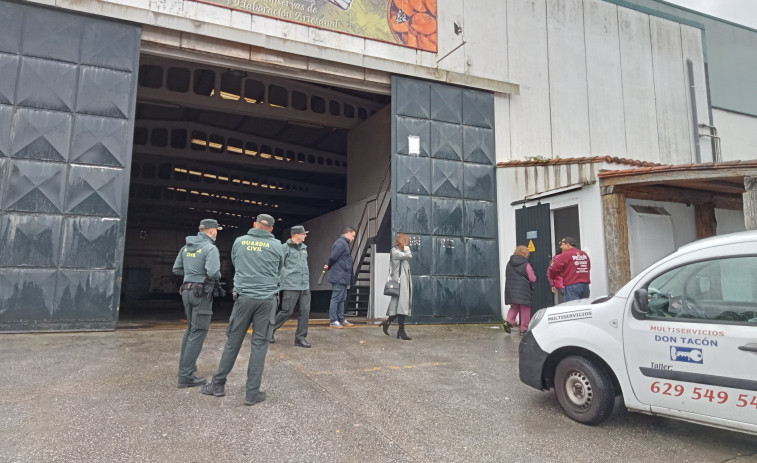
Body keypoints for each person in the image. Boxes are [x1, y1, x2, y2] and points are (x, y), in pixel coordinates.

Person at [200, 214, 283, 406]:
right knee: (260, 345)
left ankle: (218, 384)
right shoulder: (278, 245)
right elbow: (280, 270)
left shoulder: (240, 241)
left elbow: (236, 264)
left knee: (233, 342)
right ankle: (252, 393)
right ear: (271, 228)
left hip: (244, 298)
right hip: (267, 300)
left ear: (254, 225)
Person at [172, 218, 222, 388]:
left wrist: (191, 272)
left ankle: (185, 369)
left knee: (191, 330)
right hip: (201, 293)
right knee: (198, 331)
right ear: (212, 231)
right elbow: (213, 272)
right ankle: (186, 376)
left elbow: (176, 269)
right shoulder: (210, 248)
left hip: (185, 290)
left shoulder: (186, 248)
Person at [270, 225, 312, 348]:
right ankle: (270, 331)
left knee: (305, 312)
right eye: (303, 233)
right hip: (290, 285)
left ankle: (300, 338)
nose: (305, 235)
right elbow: (277, 265)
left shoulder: (304, 248)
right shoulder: (284, 248)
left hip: (305, 286)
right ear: (296, 235)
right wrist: (279, 280)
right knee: (287, 311)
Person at [379, 233, 413, 340]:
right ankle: (401, 331)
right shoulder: (395, 251)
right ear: (403, 241)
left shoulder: (400, 251)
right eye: (406, 241)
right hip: (400, 283)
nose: (408, 243)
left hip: (404, 282)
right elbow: (409, 255)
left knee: (399, 306)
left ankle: (388, 322)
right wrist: (406, 247)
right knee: (401, 306)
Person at [324, 226, 356, 329]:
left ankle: (341, 319)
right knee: (337, 297)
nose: (353, 238)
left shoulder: (343, 243)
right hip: (339, 275)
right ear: (348, 234)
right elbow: (333, 257)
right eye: (353, 235)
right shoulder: (341, 243)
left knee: (341, 298)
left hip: (342, 275)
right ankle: (333, 320)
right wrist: (329, 265)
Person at [503, 245, 536, 335]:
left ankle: (508, 322)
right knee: (525, 308)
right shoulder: (526, 264)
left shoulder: (509, 263)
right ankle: (524, 329)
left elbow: (507, 275)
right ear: (526, 253)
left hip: (511, 289)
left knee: (514, 306)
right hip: (523, 290)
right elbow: (532, 278)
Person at [548, 236, 591, 301]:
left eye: (562, 244)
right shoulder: (584, 254)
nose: (560, 247)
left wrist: (554, 282)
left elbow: (554, 269)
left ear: (567, 244)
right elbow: (588, 267)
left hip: (572, 286)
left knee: (572, 308)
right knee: (583, 308)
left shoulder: (565, 255)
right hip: (585, 286)